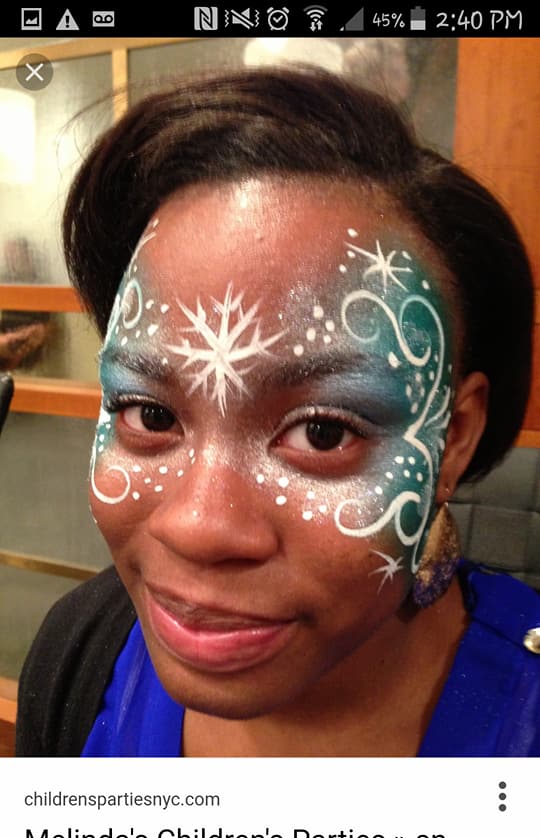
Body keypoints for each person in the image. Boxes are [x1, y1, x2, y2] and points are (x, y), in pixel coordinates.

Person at [15, 67, 540, 757]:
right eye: (150, 414)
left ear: (456, 437)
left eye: (323, 432)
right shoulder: (80, 652)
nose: (198, 528)